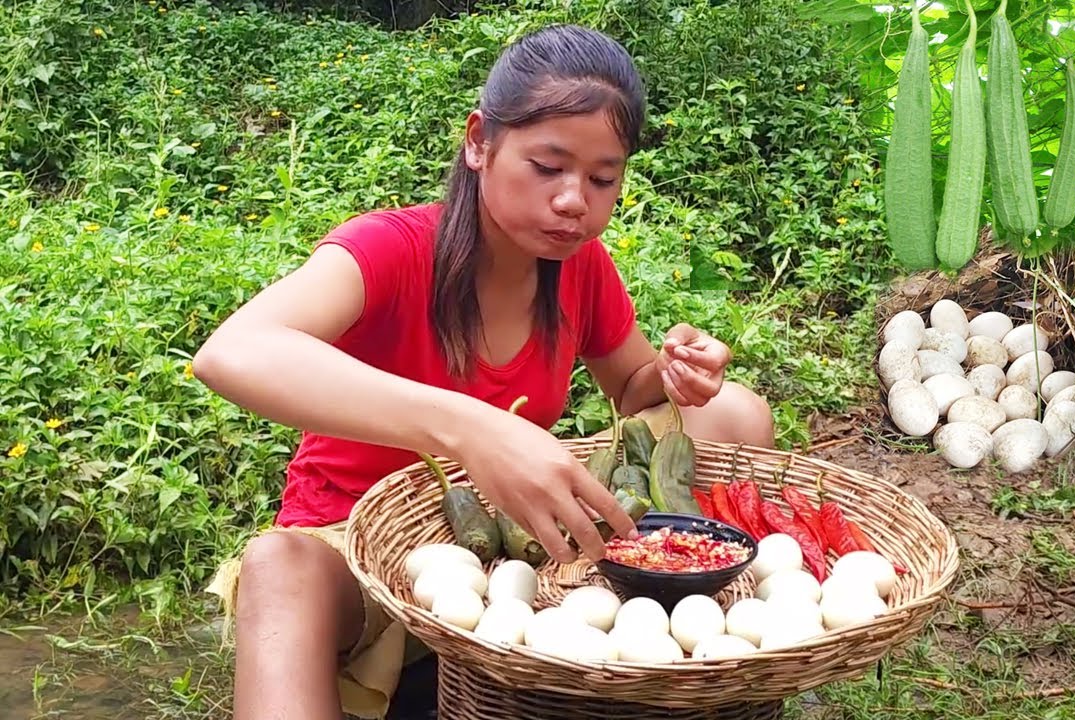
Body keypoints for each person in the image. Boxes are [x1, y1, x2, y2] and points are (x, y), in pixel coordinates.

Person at [194, 23, 775, 720]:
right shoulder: (389, 249)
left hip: (510, 542)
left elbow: (629, 388)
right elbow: (233, 352)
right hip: (359, 547)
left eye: (602, 178)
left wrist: (675, 373)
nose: (574, 200)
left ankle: (663, 657)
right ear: (479, 142)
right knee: (278, 567)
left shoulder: (578, 267)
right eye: (548, 166)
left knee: (733, 411)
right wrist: (470, 429)